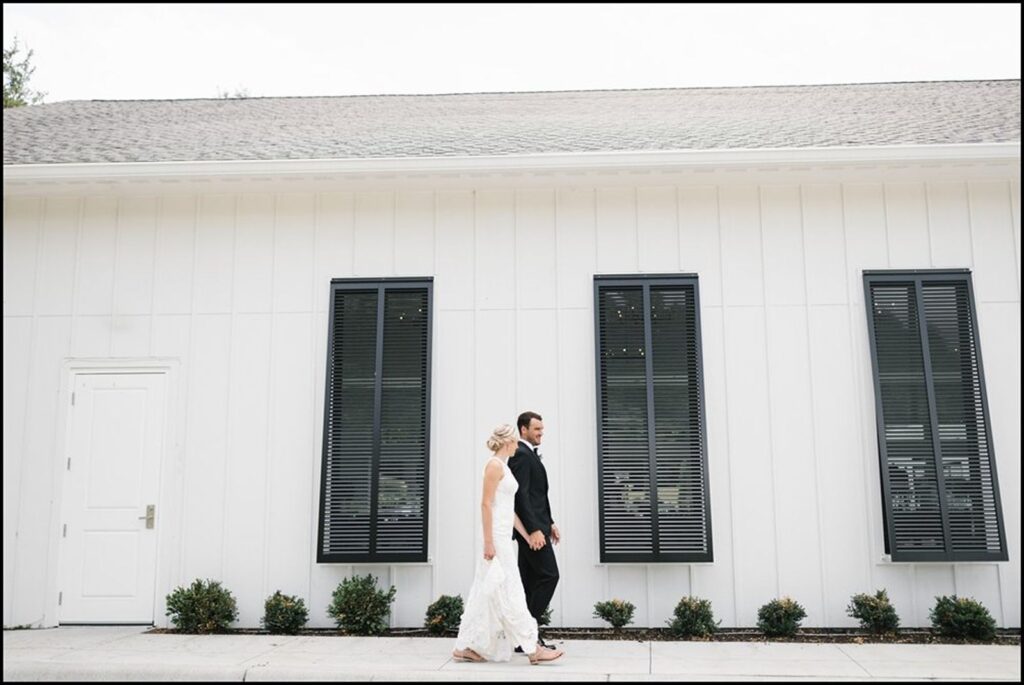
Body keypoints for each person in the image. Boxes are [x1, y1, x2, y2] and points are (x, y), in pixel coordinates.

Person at [451, 424, 565, 665]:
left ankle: (465, 646)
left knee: (485, 592)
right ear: (506, 443)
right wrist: (489, 543)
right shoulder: (493, 466)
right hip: (495, 540)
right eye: (514, 442)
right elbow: (485, 504)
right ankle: (533, 649)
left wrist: (525, 535)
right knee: (512, 591)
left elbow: (510, 511)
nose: (517, 446)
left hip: (504, 536)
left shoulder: (504, 467)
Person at [507, 411, 560, 653]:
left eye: (542, 429)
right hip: (531, 534)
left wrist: (549, 523)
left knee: (529, 583)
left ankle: (524, 639)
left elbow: (538, 496)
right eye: (536, 429)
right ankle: (527, 633)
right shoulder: (520, 454)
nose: (541, 433)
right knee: (549, 576)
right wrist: (534, 531)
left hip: (539, 527)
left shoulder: (530, 455)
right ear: (523, 429)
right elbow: (520, 497)